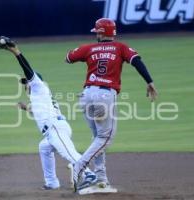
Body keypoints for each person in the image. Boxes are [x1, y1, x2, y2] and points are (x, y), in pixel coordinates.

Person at [65, 18, 158, 192]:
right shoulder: (121, 47)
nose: (95, 34)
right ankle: (79, 167)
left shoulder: (89, 48)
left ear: (101, 33)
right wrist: (149, 81)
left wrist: (87, 53)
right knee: (105, 138)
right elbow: (137, 61)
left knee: (98, 137)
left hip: (86, 96)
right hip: (104, 96)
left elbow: (68, 58)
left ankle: (101, 179)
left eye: (97, 32)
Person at [0, 36, 97, 191]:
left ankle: (89, 174)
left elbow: (27, 70)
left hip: (55, 128)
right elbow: (36, 111)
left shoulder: (38, 87)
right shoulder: (38, 97)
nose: (25, 84)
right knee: (44, 148)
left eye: (26, 82)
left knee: (68, 152)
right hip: (55, 128)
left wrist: (15, 51)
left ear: (34, 81)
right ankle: (52, 182)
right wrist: (24, 108)